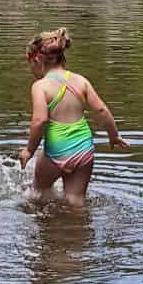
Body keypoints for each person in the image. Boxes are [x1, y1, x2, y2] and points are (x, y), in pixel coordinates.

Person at [19, 27, 129, 202]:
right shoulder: (81, 81)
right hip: (83, 149)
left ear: (37, 58)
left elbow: (39, 121)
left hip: (56, 149)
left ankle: (47, 226)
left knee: (38, 195)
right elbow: (102, 110)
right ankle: (78, 228)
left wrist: (28, 151)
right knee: (76, 201)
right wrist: (114, 135)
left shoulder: (40, 86)